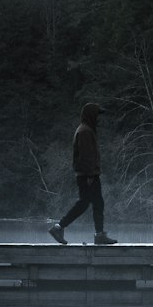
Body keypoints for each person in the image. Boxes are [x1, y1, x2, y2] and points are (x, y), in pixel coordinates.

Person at [48, 102, 117, 245]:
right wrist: (91, 175)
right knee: (84, 203)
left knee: (96, 203)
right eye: (97, 115)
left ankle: (99, 235)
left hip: (88, 174)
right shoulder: (85, 131)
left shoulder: (87, 129)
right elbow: (85, 156)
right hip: (88, 175)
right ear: (90, 115)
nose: (98, 118)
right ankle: (59, 227)